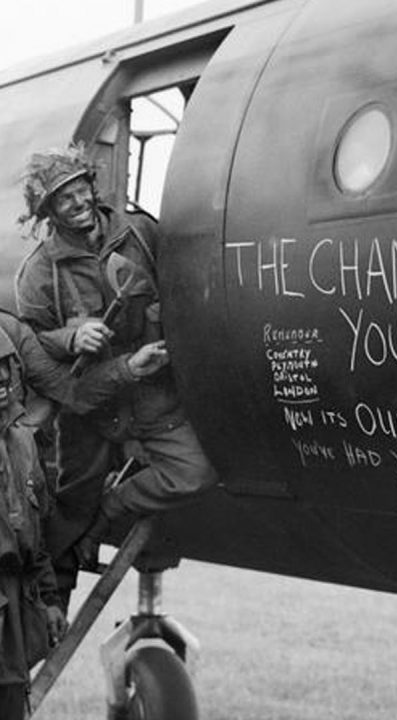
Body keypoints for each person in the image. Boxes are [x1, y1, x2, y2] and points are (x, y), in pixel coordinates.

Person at [16, 144, 216, 594]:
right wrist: (71, 336)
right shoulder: (38, 273)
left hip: (154, 397)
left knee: (195, 472)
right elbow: (31, 350)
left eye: (81, 189)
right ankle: (49, 611)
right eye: (64, 198)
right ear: (49, 210)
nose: (79, 202)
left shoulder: (141, 232)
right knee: (68, 514)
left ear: (91, 185)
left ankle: (113, 502)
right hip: (91, 410)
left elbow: (186, 281)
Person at [0, 311, 168, 720]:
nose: (1, 383)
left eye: (6, 371)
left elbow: (34, 541)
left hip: (13, 615)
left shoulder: (22, 447)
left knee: (10, 701)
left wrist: (50, 602)